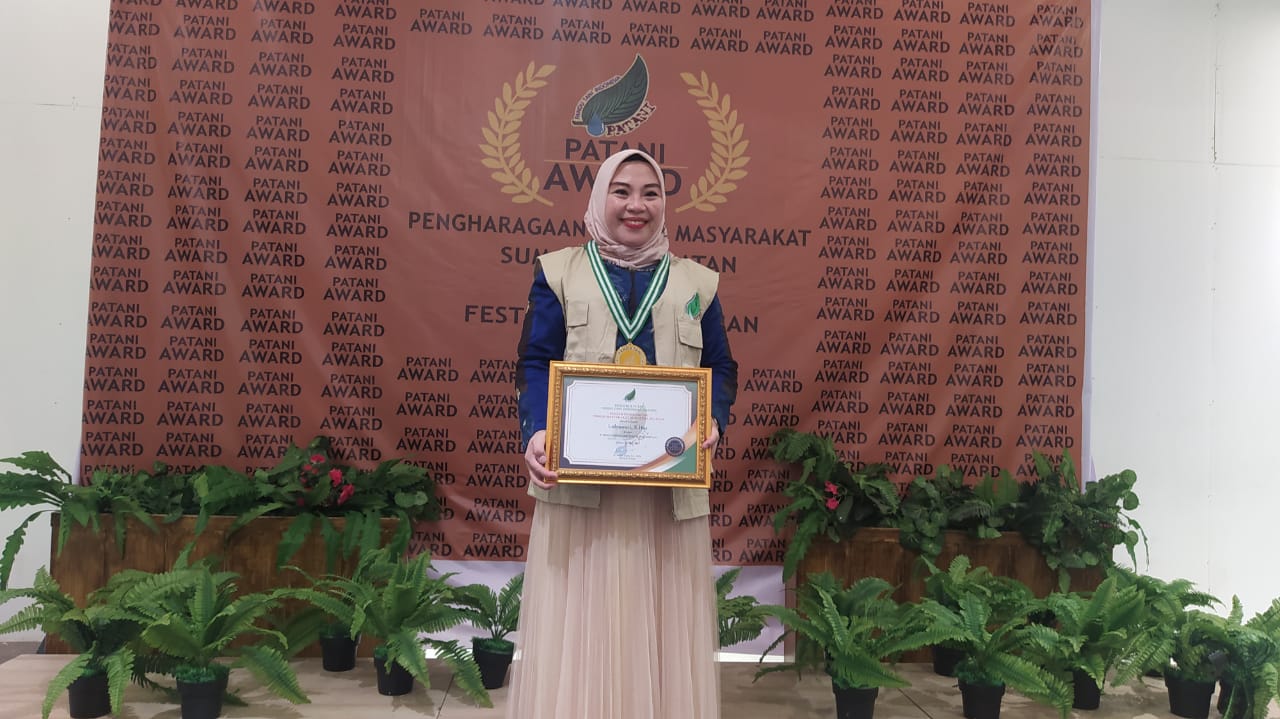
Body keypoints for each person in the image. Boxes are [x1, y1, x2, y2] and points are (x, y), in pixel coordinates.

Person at [509, 149, 738, 719]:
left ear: (664, 203)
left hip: (666, 495)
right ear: (599, 198)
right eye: (622, 191)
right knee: (579, 626)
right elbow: (535, 360)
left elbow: (721, 367)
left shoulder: (698, 283)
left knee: (663, 627)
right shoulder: (558, 272)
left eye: (650, 193)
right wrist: (537, 430)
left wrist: (713, 418)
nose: (637, 205)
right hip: (580, 492)